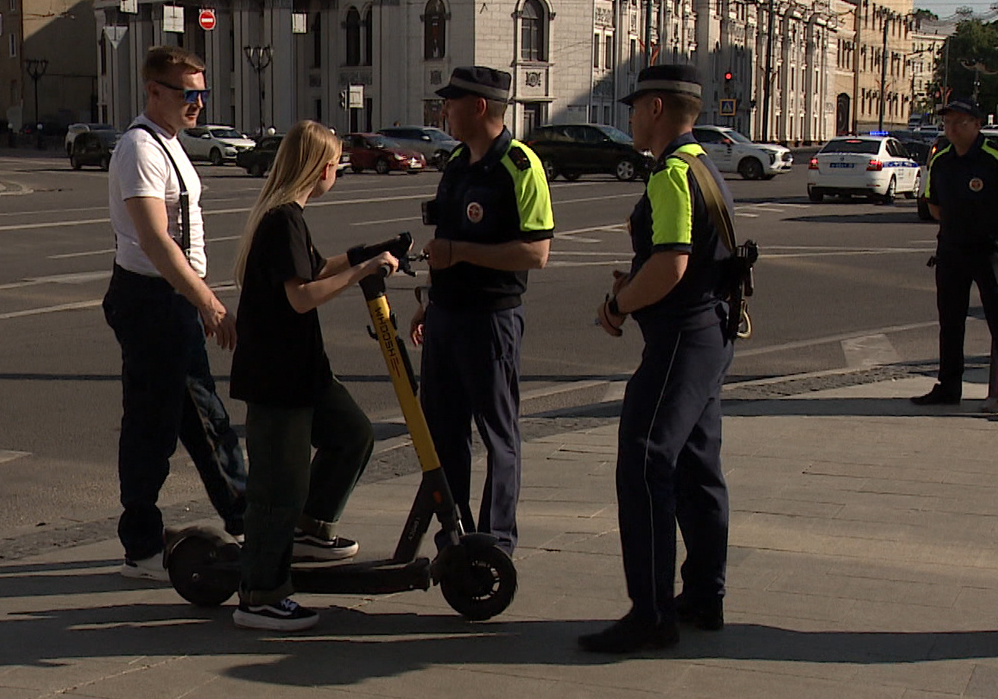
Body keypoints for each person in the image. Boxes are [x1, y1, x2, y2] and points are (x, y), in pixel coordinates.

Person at [579, 65, 734, 653]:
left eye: (636, 106)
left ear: (658, 108)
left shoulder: (671, 174)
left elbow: (671, 263)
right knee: (698, 467)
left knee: (645, 463)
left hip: (680, 340)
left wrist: (618, 302)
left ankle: (651, 613)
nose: (631, 117)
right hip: (710, 332)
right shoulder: (704, 165)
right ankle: (702, 595)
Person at [230, 120, 397, 631]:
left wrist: (366, 253)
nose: (338, 173)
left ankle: (309, 531)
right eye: (338, 165)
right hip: (278, 376)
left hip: (303, 370)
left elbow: (314, 267)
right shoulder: (281, 220)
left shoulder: (291, 220)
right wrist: (361, 275)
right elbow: (300, 296)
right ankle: (260, 593)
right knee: (278, 484)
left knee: (351, 433)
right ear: (321, 168)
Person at [102, 45, 248, 581]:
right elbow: (156, 240)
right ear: (154, 91)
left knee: (200, 418)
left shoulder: (169, 144)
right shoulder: (139, 148)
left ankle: (245, 518)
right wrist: (205, 300)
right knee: (155, 424)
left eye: (202, 92)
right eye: (188, 93)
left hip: (167, 299)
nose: (198, 103)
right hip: (151, 299)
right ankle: (142, 546)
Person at [409, 66, 553, 556]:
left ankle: (495, 544)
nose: (443, 110)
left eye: (451, 103)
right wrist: (430, 298)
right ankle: (455, 534)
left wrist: (463, 256)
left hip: (491, 318)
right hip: (447, 314)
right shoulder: (455, 162)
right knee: (443, 433)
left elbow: (536, 252)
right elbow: (444, 241)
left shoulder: (519, 163)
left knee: (497, 434)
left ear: (478, 107)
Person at [912, 98, 998, 417]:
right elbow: (933, 204)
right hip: (951, 250)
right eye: (948, 123)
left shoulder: (997, 155)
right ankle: (948, 388)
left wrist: (993, 230)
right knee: (950, 322)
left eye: (960, 122)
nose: (952, 128)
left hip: (988, 250)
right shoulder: (942, 160)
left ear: (978, 125)